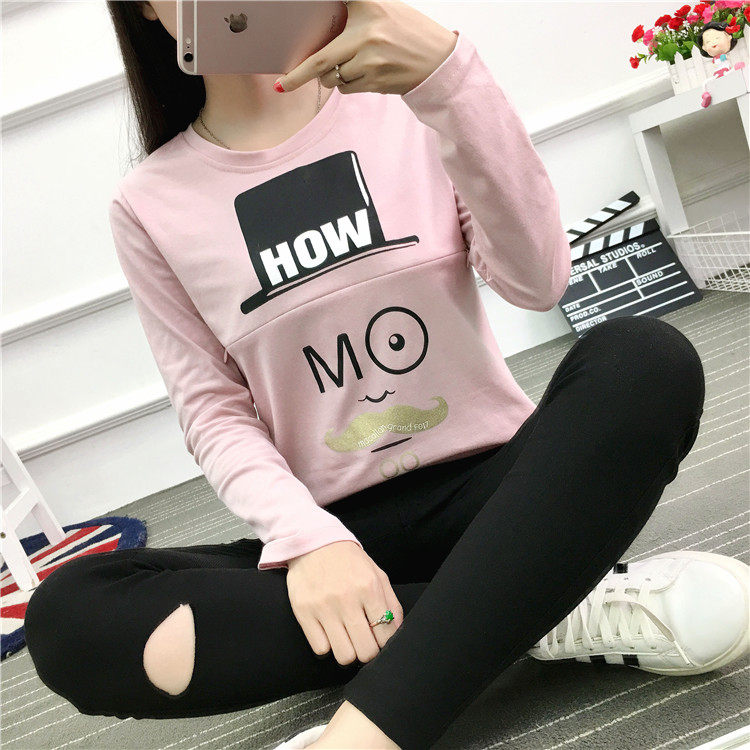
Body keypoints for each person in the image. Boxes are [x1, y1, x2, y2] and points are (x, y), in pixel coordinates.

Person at [22, 2, 749, 749]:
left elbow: (538, 283)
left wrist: (452, 80)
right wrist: (310, 544)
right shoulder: (149, 203)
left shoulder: (410, 105)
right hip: (339, 544)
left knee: (645, 361)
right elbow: (213, 411)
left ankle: (371, 729)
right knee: (71, 620)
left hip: (501, 496)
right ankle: (543, 606)